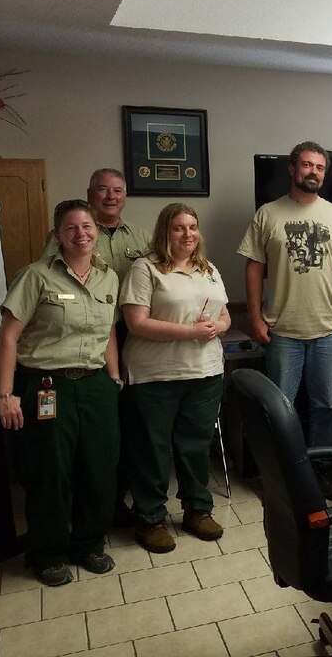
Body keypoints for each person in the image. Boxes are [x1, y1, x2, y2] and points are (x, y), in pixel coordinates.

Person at [0, 199, 121, 586]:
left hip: (96, 386)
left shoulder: (109, 278)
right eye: (71, 228)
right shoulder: (35, 276)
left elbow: (109, 332)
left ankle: (89, 544)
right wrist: (5, 394)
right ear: (58, 235)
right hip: (48, 386)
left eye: (87, 226)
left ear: (96, 231)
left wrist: (114, 377)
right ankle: (47, 553)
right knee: (51, 473)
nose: (81, 234)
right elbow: (8, 337)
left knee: (98, 469)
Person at [41, 168, 151, 526]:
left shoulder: (140, 236)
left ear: (125, 196)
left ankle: (116, 502)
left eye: (118, 190)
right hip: (84, 339)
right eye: (102, 190)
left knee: (124, 427)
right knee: (83, 438)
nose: (111, 196)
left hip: (132, 336)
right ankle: (83, 510)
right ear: (90, 194)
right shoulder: (72, 233)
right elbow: (49, 281)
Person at [121, 203, 231, 554]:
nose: (188, 234)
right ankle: (150, 518)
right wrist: (190, 332)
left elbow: (225, 315)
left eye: (193, 227)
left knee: (196, 446)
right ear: (165, 232)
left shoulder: (209, 269)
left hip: (206, 372)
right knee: (153, 450)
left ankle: (197, 511)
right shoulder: (146, 268)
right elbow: (135, 322)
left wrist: (218, 327)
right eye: (179, 228)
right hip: (156, 375)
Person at [238, 141, 332, 446]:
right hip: (282, 331)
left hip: (327, 330)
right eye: (307, 165)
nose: (313, 172)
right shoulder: (268, 214)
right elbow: (254, 268)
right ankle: (284, 476)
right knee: (280, 408)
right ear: (293, 169)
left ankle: (324, 466)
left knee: (325, 406)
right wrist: (255, 317)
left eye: (319, 167)